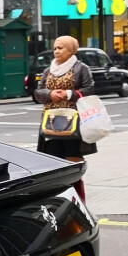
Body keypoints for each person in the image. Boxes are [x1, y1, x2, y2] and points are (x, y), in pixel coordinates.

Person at [34, 36, 97, 197]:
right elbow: (37, 92)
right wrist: (50, 93)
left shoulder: (81, 68)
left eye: (60, 48)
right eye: (55, 48)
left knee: (73, 164)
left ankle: (78, 199)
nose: (56, 51)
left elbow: (90, 89)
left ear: (70, 50)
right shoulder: (48, 70)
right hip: (51, 124)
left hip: (73, 124)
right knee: (52, 165)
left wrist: (69, 94)